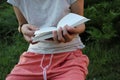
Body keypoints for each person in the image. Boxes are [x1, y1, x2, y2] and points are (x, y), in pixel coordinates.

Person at [6, 0, 89, 80]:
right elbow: (22, 25)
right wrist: (23, 29)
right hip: (34, 57)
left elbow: (80, 24)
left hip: (69, 57)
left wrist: (72, 32)